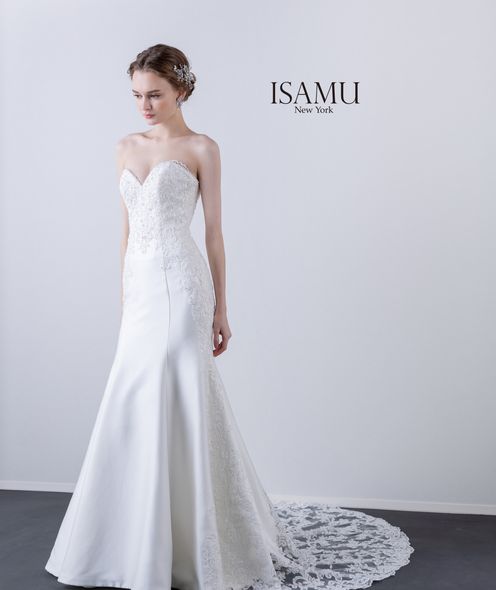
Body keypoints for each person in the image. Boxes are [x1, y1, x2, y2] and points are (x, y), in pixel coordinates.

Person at [44, 43, 414, 590]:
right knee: (134, 395)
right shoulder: (124, 147)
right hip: (141, 293)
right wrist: (125, 296)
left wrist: (222, 306)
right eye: (137, 95)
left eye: (155, 94)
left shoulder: (202, 148)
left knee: (183, 391)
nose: (144, 105)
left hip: (183, 285)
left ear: (182, 90)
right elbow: (126, 231)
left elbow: (214, 234)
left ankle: (195, 539)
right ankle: (131, 538)